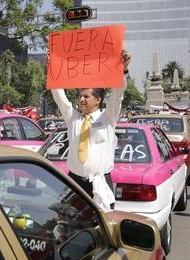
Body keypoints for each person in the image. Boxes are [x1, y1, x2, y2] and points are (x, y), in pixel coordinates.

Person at [49, 50, 131, 211]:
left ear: (98, 100)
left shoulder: (107, 118)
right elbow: (59, 97)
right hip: (74, 183)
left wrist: (123, 70)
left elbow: (117, 95)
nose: (81, 100)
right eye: (80, 96)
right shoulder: (73, 118)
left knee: (102, 229)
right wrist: (52, 68)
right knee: (70, 228)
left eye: (86, 97)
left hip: (99, 184)